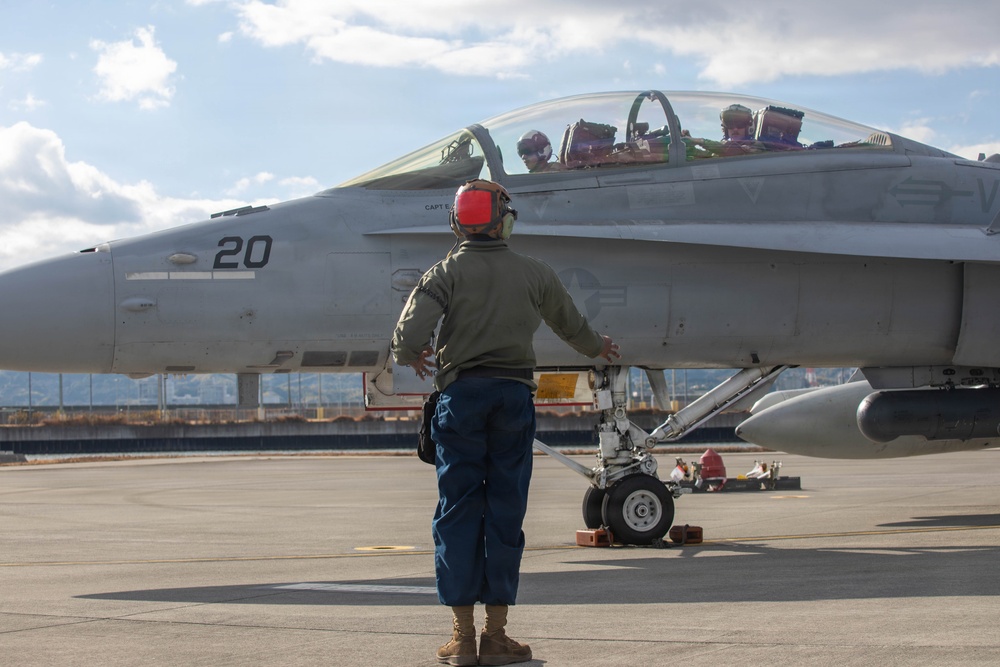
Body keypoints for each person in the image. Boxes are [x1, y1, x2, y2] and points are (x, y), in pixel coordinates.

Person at [391, 179, 619, 666]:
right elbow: (573, 327)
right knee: (505, 509)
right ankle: (497, 637)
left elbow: (408, 334)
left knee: (456, 511)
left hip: (461, 399)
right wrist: (598, 346)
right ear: (505, 221)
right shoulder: (535, 273)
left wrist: (413, 355)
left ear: (456, 224)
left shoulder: (444, 273)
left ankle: (462, 638)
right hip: (513, 398)